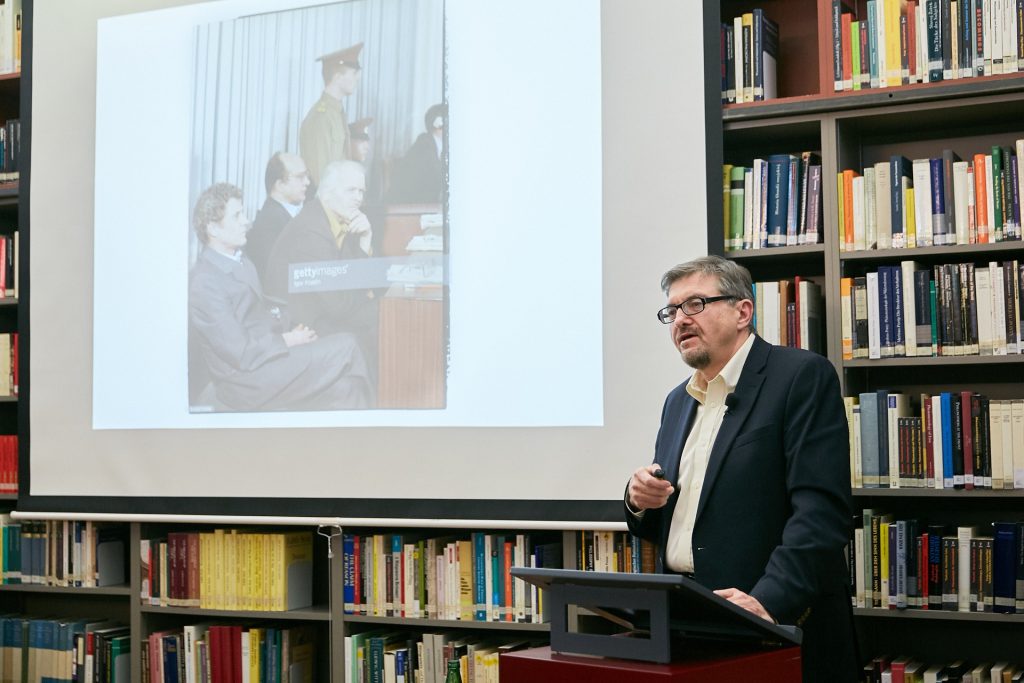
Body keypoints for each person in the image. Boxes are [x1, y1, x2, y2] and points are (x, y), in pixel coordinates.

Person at [624, 255, 857, 682]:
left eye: (695, 304)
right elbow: (675, 520)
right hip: (687, 622)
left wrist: (767, 601)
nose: (680, 320)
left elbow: (821, 513)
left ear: (743, 312)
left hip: (771, 624)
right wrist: (639, 501)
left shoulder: (799, 376)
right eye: (672, 311)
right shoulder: (678, 401)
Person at [188, 182, 372, 411]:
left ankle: (355, 433)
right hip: (245, 381)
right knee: (349, 345)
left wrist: (292, 329)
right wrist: (289, 340)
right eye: (236, 216)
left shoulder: (239, 259)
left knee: (348, 386)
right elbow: (241, 352)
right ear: (213, 229)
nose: (246, 221)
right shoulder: (204, 282)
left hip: (264, 362)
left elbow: (256, 318)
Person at [266, 160, 379, 380]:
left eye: (361, 191)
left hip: (324, 312)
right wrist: (366, 294)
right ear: (327, 193)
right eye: (351, 190)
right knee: (385, 316)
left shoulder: (335, 219)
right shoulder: (312, 230)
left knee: (386, 312)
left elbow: (350, 281)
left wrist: (366, 239)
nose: (358, 198)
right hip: (303, 327)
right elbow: (340, 305)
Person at [300, 42, 363, 185]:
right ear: (338, 77)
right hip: (327, 195)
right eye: (353, 73)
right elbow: (320, 175)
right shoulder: (321, 117)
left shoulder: (336, 113)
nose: (357, 78)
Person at [247, 152, 310, 281]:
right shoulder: (268, 224)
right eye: (300, 177)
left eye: (307, 175)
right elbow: (280, 277)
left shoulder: (292, 216)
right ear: (280, 185)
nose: (307, 182)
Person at [386, 103, 445, 204]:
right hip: (404, 206)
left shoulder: (437, 146)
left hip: (421, 204)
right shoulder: (424, 144)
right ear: (438, 125)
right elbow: (437, 179)